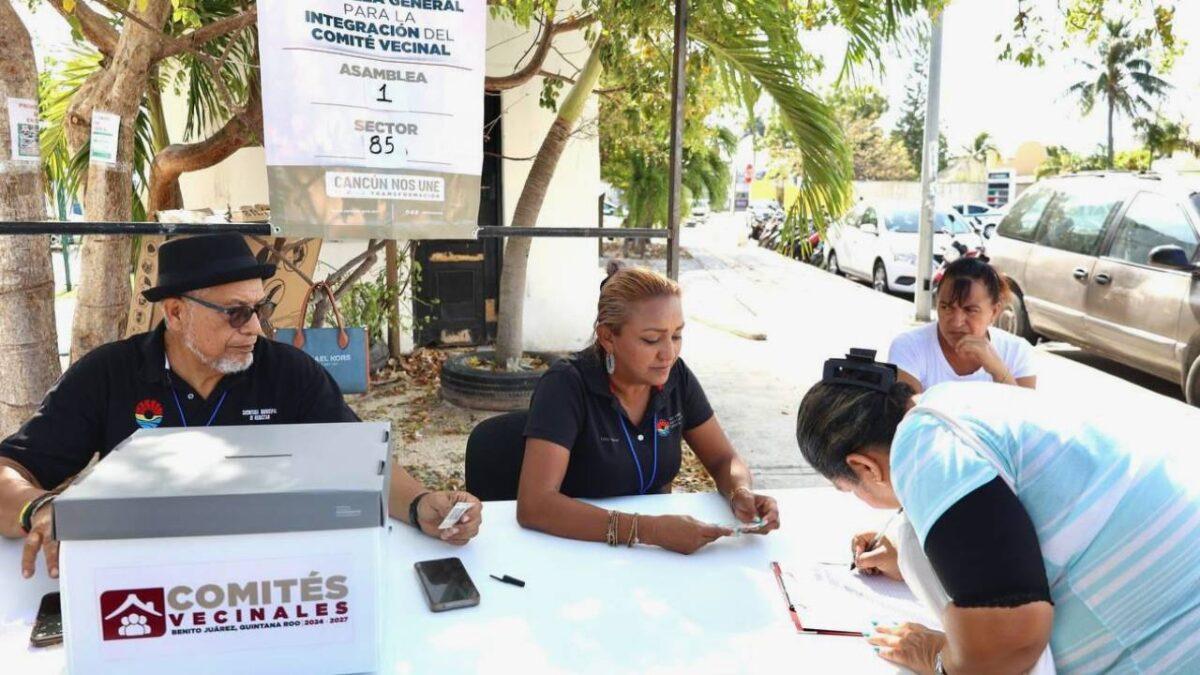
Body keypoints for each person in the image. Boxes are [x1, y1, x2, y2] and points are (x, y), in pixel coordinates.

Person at [0, 234, 481, 581]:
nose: (254, 327)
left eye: (261, 309)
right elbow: (10, 470)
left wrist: (421, 505)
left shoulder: (287, 372)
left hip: (265, 579)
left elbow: (360, 463)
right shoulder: (109, 374)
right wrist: (38, 507)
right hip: (147, 575)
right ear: (175, 312)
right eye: (236, 312)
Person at [795, 351, 1200, 674]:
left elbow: (1009, 646)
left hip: (1167, 646)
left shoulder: (919, 450)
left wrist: (935, 655)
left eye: (849, 489)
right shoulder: (951, 405)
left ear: (865, 467)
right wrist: (925, 556)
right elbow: (1017, 530)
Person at [516, 266, 779, 554]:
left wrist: (740, 492)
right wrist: (649, 530)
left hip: (654, 558)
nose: (668, 353)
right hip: (576, 552)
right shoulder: (566, 385)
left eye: (677, 336)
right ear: (607, 338)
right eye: (652, 339)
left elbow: (722, 458)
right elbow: (535, 505)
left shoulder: (675, 376)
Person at [887, 257, 1036, 393]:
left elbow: (1026, 417)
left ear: (994, 312)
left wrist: (997, 369)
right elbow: (911, 416)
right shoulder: (909, 346)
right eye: (946, 307)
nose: (957, 322)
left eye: (970, 310)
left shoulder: (1017, 352)